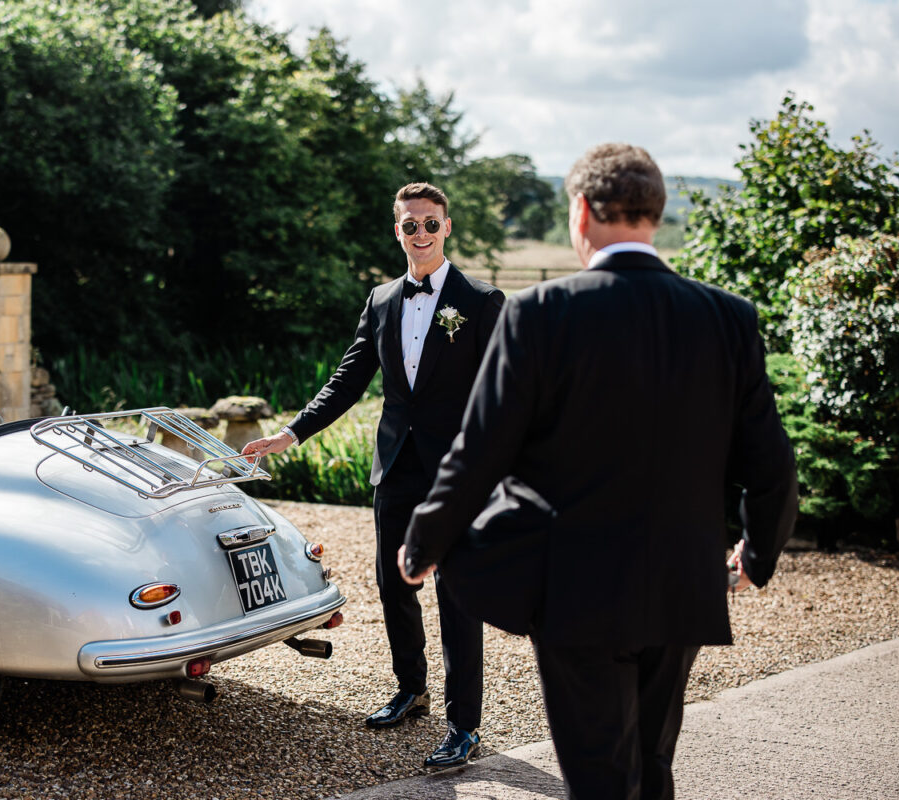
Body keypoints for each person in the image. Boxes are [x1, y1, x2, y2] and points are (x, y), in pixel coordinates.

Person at [399, 144, 798, 799]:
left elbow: (480, 449)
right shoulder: (727, 317)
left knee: (599, 778)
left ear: (581, 212)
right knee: (652, 765)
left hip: (576, 586)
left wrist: (424, 542)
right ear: (655, 214)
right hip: (682, 580)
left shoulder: (542, 313)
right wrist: (757, 553)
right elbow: (772, 464)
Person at [242, 182, 504, 768]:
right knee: (394, 584)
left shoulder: (482, 301)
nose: (420, 234)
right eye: (410, 225)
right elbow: (348, 379)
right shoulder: (383, 298)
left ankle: (465, 725)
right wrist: (292, 433)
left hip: (456, 471)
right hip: (396, 466)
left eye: (430, 224)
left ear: (447, 226)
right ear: (397, 231)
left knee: (455, 593)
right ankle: (411, 690)